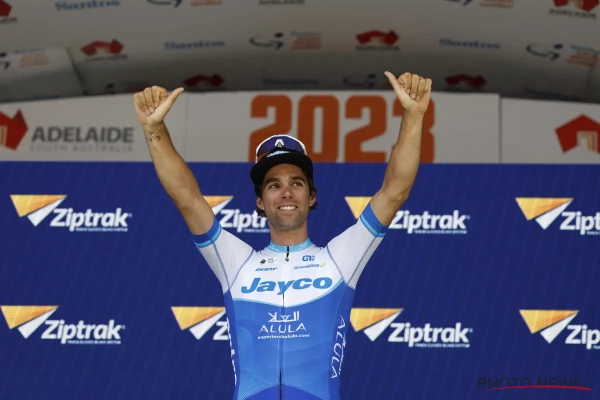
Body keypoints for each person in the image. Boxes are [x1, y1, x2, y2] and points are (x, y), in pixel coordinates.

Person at [133, 71, 432, 400]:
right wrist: (154, 129)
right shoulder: (236, 262)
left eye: (296, 183)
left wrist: (413, 115)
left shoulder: (340, 258)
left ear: (312, 197)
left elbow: (395, 190)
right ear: (260, 202)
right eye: (274, 185)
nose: (286, 193)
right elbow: (187, 198)